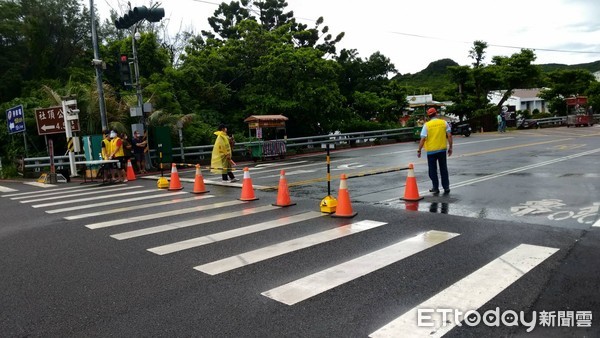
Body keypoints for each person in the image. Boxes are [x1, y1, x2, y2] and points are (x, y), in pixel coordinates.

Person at [417, 107, 453, 195]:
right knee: (443, 169)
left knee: (432, 170)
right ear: (436, 114)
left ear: (429, 116)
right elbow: (449, 135)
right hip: (442, 150)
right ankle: (446, 187)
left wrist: (419, 150)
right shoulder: (443, 122)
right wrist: (450, 147)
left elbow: (423, 139)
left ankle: (435, 188)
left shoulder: (427, 125)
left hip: (431, 152)